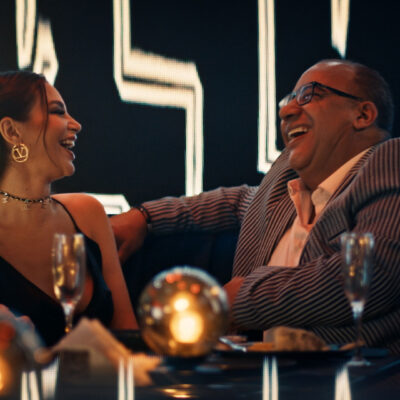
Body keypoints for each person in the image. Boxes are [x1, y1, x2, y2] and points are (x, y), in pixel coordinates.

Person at [111, 59, 400, 354]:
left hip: (354, 372)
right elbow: (236, 202)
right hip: (257, 371)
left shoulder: (390, 160)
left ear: (362, 115)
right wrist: (145, 217)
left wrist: (242, 299)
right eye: (289, 100)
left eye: (310, 94)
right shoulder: (285, 187)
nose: (286, 111)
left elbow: (375, 275)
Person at [0, 71, 137, 346]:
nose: (76, 124)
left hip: (107, 375)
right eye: (57, 111)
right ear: (12, 131)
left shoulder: (87, 213)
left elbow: (128, 336)